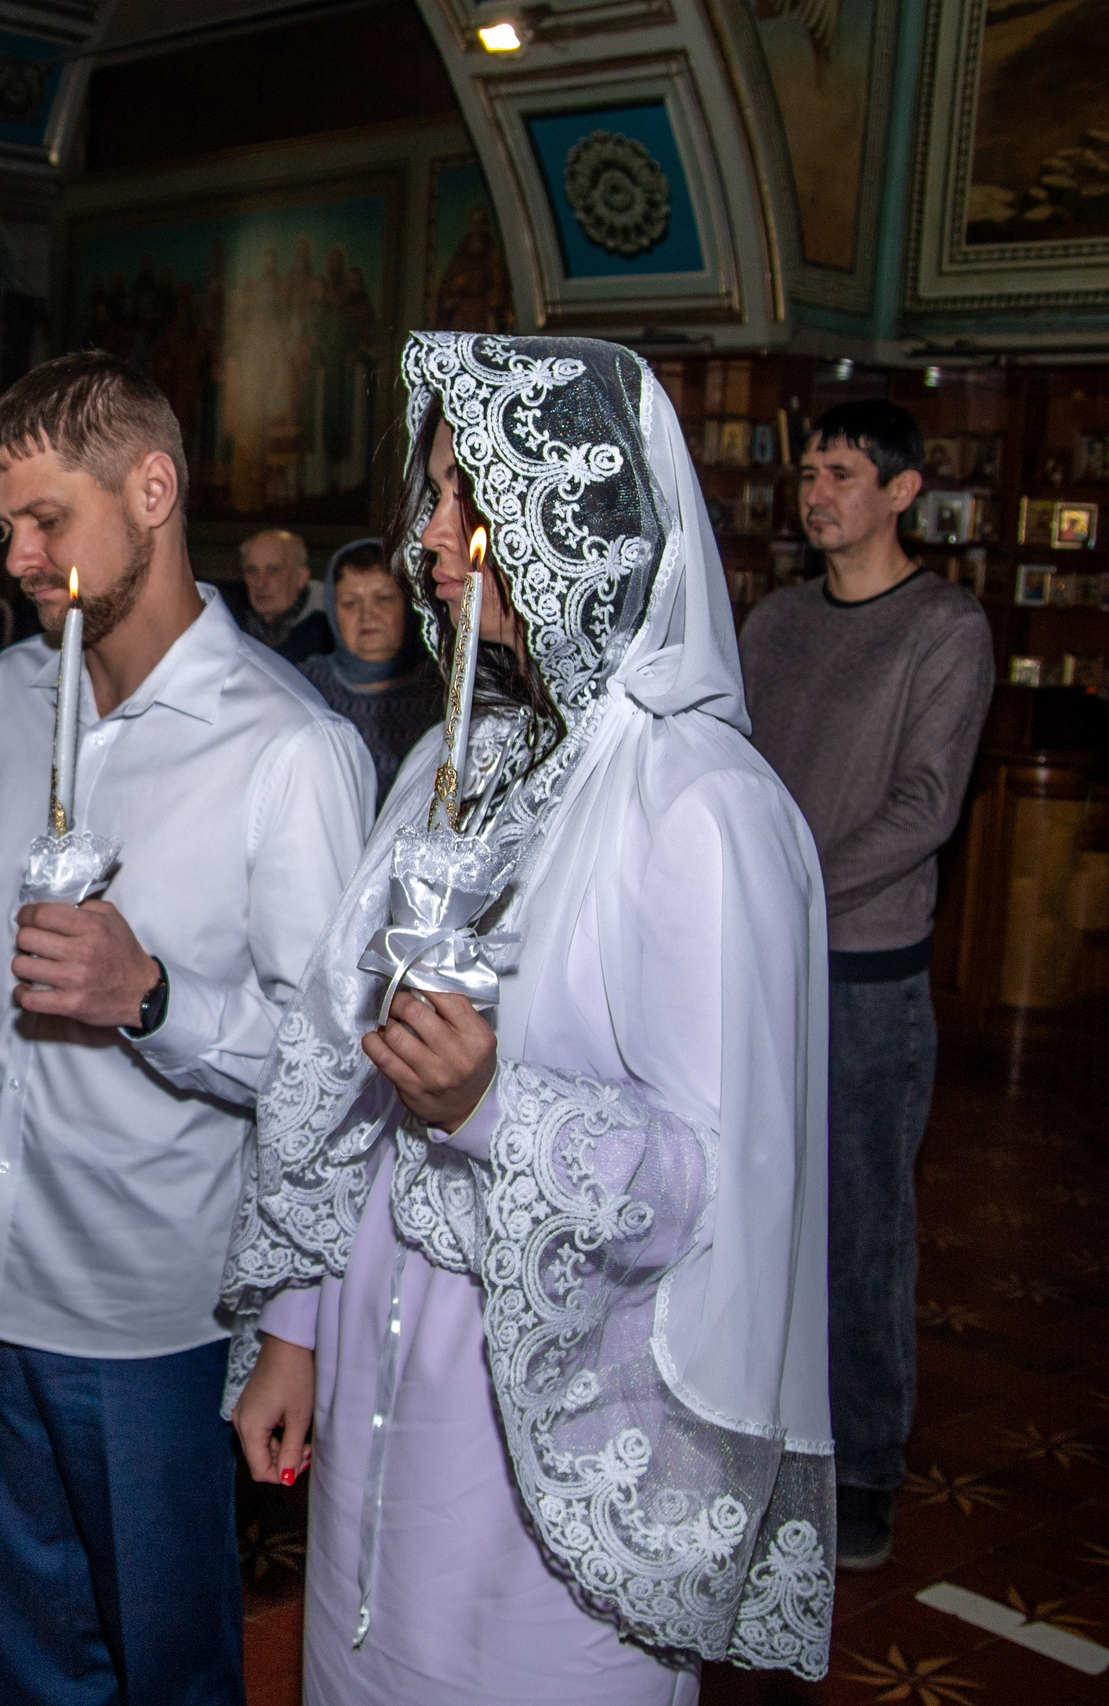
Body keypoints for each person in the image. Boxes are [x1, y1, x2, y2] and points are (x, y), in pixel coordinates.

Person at [224, 332, 835, 1704]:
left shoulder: (705, 811)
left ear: (584, 523)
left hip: (556, 1423)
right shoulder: (463, 758)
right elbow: (354, 1082)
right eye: (431, 496)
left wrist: (495, 1107)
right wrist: (299, 1330)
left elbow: (716, 1181)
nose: (432, 539)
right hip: (391, 1359)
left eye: (470, 501)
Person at [0, 351, 373, 1704]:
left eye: (48, 517)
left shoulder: (285, 749)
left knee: (167, 1661)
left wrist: (150, 997)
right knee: (36, 1653)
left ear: (153, 488)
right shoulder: (7, 696)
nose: (17, 553)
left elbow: (329, 1068)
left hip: (148, 1301)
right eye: (4, 525)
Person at [738, 399, 993, 1571]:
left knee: (858, 1227)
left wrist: (785, 888)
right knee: (750, 1211)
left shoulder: (944, 626)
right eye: (806, 472)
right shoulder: (777, 620)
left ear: (901, 491)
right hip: (754, 957)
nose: (816, 490)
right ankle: (760, 1441)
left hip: (862, 974)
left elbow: (924, 807)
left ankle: (870, 1466)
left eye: (841, 471)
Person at [298, 537, 444, 806]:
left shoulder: (444, 694)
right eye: (351, 603)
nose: (368, 615)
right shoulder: (303, 688)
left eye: (384, 598)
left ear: (411, 606)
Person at [234, 525, 334, 661]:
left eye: (273, 571)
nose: (260, 583)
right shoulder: (233, 624)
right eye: (252, 571)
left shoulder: (331, 633)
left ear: (301, 578)